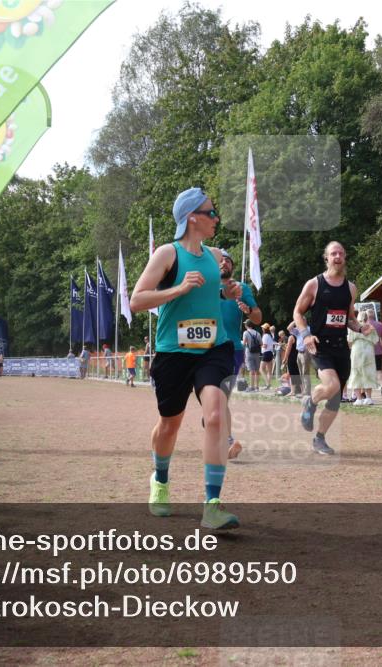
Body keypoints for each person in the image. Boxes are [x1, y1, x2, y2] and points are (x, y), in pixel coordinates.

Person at [129, 187, 242, 530]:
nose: (216, 218)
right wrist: (177, 289)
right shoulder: (168, 254)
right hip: (173, 353)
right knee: (170, 424)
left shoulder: (216, 254)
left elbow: (219, 289)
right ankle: (160, 481)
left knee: (216, 414)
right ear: (193, 217)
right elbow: (136, 300)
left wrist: (229, 291)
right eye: (211, 212)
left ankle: (212, 505)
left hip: (213, 349)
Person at [293, 241, 372, 455]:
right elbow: (297, 313)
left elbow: (350, 319)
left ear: (344, 258)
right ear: (326, 258)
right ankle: (310, 401)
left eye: (341, 253)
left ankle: (319, 438)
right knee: (332, 385)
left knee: (336, 399)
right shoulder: (314, 284)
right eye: (333, 253)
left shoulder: (351, 288)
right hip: (321, 346)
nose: (337, 257)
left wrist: (360, 327)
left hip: (341, 348)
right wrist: (306, 335)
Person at [218, 249, 261, 460]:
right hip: (201, 349)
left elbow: (258, 317)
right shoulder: (203, 285)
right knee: (211, 400)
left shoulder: (241, 288)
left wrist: (248, 312)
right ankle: (214, 424)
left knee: (220, 398)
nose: (224, 263)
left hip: (231, 349)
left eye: (228, 261)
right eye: (220, 260)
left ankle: (227, 441)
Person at [347, 310, 380, 406]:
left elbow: (349, 340)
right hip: (368, 351)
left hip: (356, 350)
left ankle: (359, 399)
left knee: (356, 373)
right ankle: (369, 398)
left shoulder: (354, 327)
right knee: (368, 373)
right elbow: (376, 341)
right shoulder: (371, 327)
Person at [370, 314, 382, 399]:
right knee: (379, 370)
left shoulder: (363, 325)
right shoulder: (380, 324)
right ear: (374, 316)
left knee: (365, 371)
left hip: (366, 352)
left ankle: (364, 393)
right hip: (378, 351)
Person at [242, 320, 262, 392]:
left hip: (249, 353)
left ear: (247, 325)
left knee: (251, 370)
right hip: (257, 353)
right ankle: (257, 387)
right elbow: (261, 343)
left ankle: (251, 387)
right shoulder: (258, 333)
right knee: (257, 370)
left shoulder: (246, 332)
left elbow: (244, 343)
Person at [283, 324, 302, 397]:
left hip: (292, 357)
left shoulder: (291, 337)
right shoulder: (299, 336)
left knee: (293, 374)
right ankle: (302, 390)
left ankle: (293, 391)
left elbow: (288, 349)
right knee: (298, 374)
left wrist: (285, 358)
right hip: (298, 355)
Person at [259, 323, 275, 389]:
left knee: (261, 369)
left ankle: (267, 383)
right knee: (269, 371)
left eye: (263, 328)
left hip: (266, 353)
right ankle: (268, 384)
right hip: (270, 353)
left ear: (264, 329)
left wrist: (259, 345)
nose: (262, 328)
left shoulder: (265, 336)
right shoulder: (270, 336)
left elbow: (264, 345)